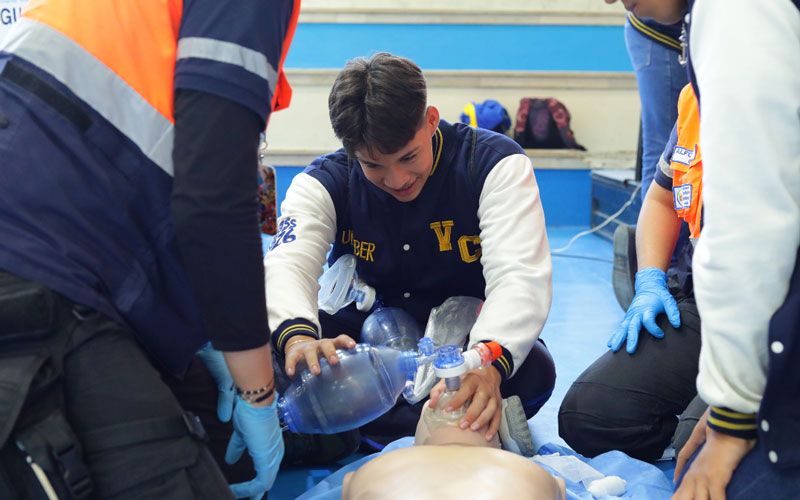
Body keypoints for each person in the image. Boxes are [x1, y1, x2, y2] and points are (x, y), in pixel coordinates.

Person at [0, 1, 299, 499]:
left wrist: (208, 337)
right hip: (40, 268)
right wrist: (258, 391)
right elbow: (214, 202)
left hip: (54, 258)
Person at [263, 52, 556, 451]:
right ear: (351, 151)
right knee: (269, 357)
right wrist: (299, 342)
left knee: (533, 370)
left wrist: (487, 365)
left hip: (463, 352)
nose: (397, 179)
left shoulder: (494, 164)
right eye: (374, 166)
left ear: (431, 120)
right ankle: (450, 421)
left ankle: (357, 429)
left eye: (408, 156)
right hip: (360, 353)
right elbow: (286, 265)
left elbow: (519, 275)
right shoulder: (324, 182)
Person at [671, 0, 800, 498]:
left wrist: (734, 415)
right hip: (726, 309)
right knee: (598, 413)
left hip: (762, 304)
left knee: (706, 482)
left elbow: (751, 220)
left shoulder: (736, 12)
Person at [559, 82, 706, 462]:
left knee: (702, 446)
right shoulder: (696, 97)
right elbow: (662, 196)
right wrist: (650, 279)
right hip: (708, 305)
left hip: (776, 315)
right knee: (588, 415)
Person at [341, 399, 567, 500]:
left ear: (415, 443)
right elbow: (559, 489)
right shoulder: (531, 473)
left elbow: (348, 487)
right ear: (499, 444)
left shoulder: (373, 471)